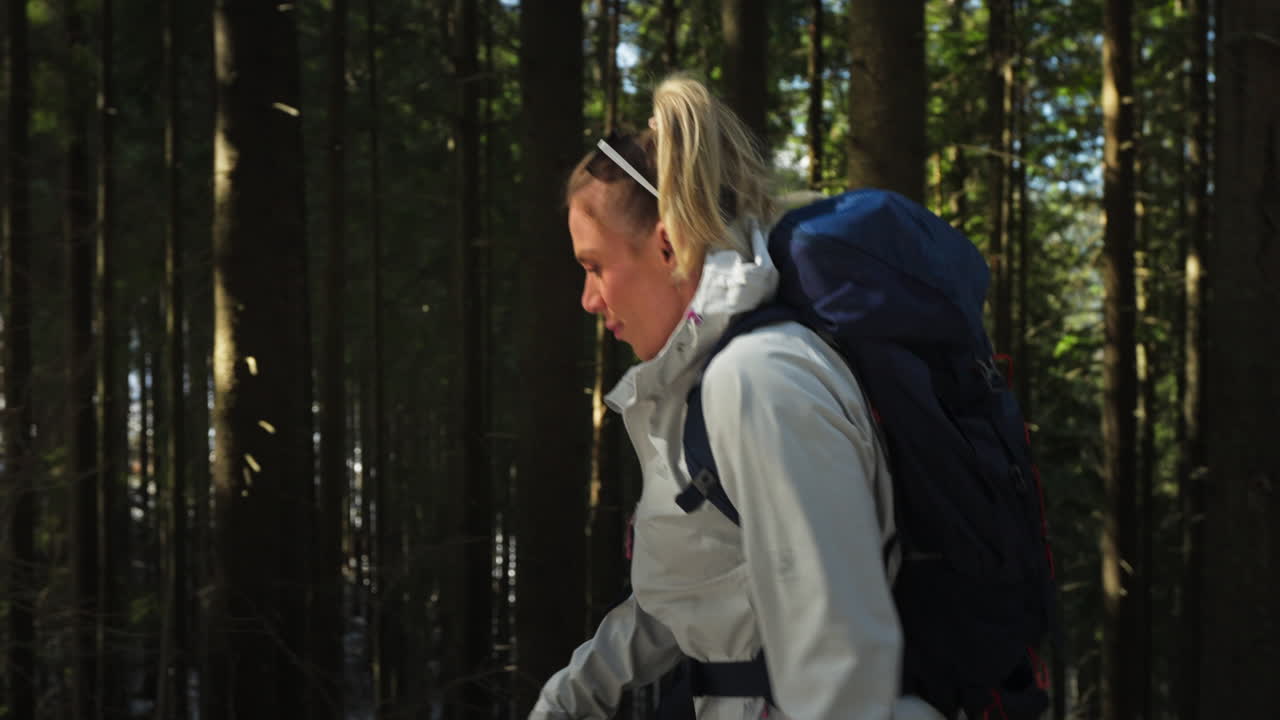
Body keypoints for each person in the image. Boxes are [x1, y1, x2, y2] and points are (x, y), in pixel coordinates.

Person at [529, 75, 944, 720]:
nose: (588, 299)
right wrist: (568, 700)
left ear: (666, 244)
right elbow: (693, 591)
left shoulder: (759, 381)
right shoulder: (697, 387)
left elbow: (842, 669)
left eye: (594, 266)